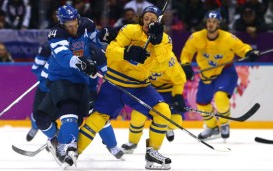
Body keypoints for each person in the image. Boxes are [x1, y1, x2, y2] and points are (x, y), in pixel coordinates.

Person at [78, 6, 173, 170]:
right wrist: (127, 52)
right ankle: (74, 152)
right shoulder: (129, 30)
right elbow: (110, 50)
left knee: (163, 111)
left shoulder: (164, 39)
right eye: (146, 17)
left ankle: (152, 154)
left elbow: (162, 65)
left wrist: (156, 43)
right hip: (116, 83)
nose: (149, 21)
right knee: (99, 117)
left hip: (140, 86)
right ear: (142, 19)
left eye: (153, 19)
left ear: (158, 21)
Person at [35, 4, 122, 168]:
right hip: (61, 79)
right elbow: (63, 56)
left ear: (78, 18)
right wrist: (80, 62)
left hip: (83, 81)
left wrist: (105, 36)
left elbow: (95, 41)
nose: (73, 27)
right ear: (61, 23)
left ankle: (110, 146)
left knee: (92, 111)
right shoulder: (56, 34)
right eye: (69, 25)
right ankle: (58, 139)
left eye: (75, 22)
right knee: (41, 118)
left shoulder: (87, 24)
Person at [180, 10, 260, 140]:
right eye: (209, 22)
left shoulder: (228, 38)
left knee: (220, 97)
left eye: (214, 22)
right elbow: (186, 53)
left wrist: (250, 52)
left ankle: (224, 124)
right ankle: (212, 127)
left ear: (219, 24)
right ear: (205, 23)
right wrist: (186, 65)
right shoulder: (196, 37)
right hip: (206, 74)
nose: (211, 24)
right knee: (201, 103)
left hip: (225, 71)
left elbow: (242, 48)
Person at [121, 52, 187, 154]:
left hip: (168, 91)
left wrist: (177, 96)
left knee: (176, 121)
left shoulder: (169, 59)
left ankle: (168, 128)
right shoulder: (142, 55)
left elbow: (179, 80)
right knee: (137, 116)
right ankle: (132, 142)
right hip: (149, 90)